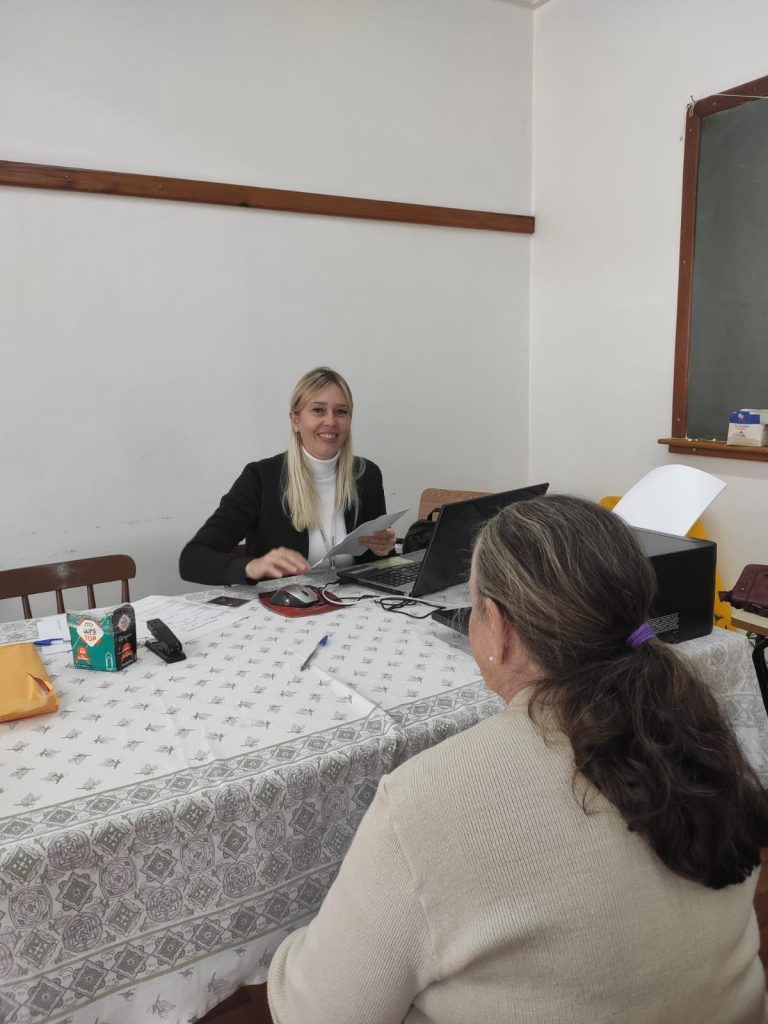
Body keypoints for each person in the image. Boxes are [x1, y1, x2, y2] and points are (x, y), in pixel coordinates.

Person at [267, 495, 768, 1024]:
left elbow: (312, 1013)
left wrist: (299, 944)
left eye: (472, 603)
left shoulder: (423, 801)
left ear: (499, 630)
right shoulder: (702, 736)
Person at [179, 367, 395, 585]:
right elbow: (192, 559)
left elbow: (375, 567)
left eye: (341, 412)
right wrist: (251, 567)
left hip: (354, 602)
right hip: (283, 603)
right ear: (295, 420)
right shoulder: (260, 478)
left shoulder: (366, 474)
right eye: (318, 410)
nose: (331, 421)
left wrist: (383, 549)